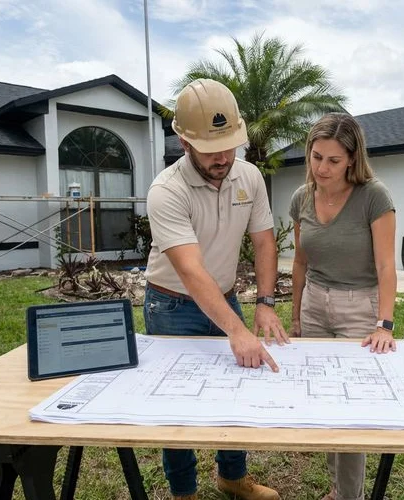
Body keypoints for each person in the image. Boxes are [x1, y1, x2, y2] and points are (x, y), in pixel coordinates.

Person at [143, 78, 288, 500]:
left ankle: (231, 478)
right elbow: (190, 270)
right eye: (211, 150)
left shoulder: (250, 176)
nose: (224, 157)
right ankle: (184, 492)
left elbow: (264, 240)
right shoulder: (166, 191)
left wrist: (263, 302)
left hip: (223, 297)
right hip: (171, 304)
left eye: (231, 145)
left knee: (238, 387)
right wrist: (237, 331)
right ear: (184, 142)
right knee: (177, 403)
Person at [289, 112, 397, 500]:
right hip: (314, 304)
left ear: (352, 158)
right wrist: (295, 317)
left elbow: (386, 265)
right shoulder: (301, 197)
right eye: (317, 157)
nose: (322, 168)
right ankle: (338, 488)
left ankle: (349, 496)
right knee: (323, 399)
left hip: (359, 307)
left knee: (353, 410)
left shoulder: (374, 196)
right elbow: (300, 262)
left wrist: (385, 324)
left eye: (334, 160)